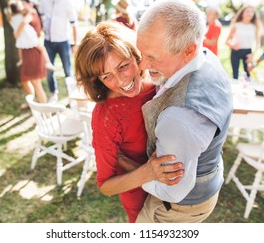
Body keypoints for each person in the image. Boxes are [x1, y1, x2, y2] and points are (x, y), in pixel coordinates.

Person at [135, 0, 233, 223]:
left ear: (189, 51)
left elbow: (173, 191)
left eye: (151, 57)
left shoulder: (178, 118)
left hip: (177, 208)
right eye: (141, 53)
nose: (142, 66)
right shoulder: (208, 57)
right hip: (208, 185)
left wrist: (136, 175)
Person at [74, 21, 184, 223]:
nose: (121, 81)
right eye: (107, 76)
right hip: (141, 202)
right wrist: (148, 172)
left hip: (181, 199)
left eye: (123, 66)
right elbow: (105, 185)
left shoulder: (160, 86)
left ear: (136, 55)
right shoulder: (107, 115)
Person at [39, 0, 78, 102]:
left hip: (63, 41)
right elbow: (40, 15)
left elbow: (74, 23)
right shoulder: (44, 0)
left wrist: (75, 43)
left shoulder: (67, 2)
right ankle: (53, 92)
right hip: (48, 41)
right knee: (49, 68)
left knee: (68, 69)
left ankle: (73, 95)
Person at [6, 0, 47, 105]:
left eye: (25, 4)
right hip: (25, 50)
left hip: (32, 50)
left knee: (36, 83)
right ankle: (32, 101)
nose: (23, 6)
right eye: (21, 4)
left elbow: (24, 22)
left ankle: (45, 109)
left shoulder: (30, 14)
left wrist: (17, 34)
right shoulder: (18, 16)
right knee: (25, 80)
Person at [7, 0, 56, 71]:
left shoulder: (11, 18)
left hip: (20, 36)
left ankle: (21, 60)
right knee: (41, 48)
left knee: (19, 48)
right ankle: (47, 62)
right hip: (28, 34)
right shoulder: (23, 15)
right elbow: (25, 21)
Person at [225, 5, 263, 79]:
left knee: (248, 74)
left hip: (248, 52)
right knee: (235, 75)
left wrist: (252, 55)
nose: (249, 13)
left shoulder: (254, 27)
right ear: (242, 13)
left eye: (252, 12)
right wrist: (232, 46)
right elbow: (226, 41)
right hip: (236, 51)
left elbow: (258, 43)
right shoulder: (236, 25)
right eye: (247, 11)